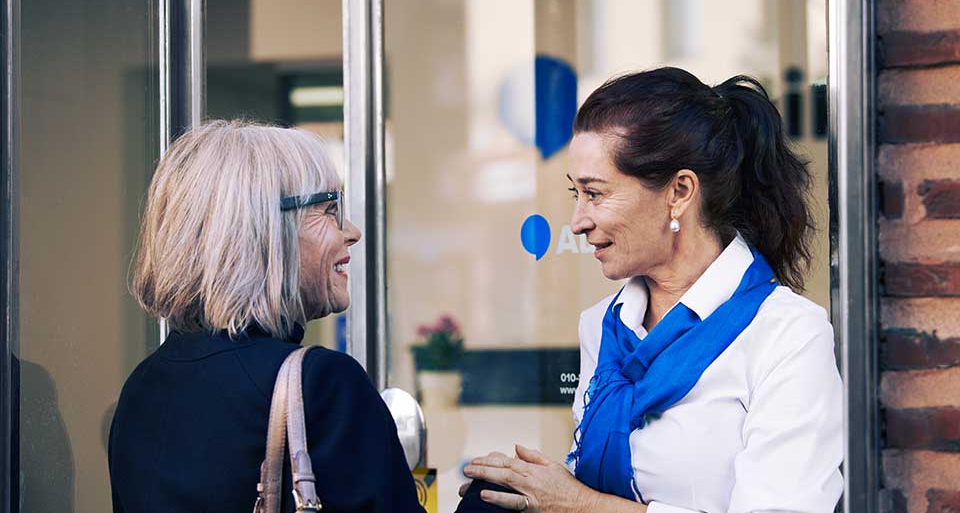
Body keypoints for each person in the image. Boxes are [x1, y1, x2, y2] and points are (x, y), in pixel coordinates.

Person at [461, 68, 843, 512]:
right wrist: (535, 491)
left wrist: (579, 504)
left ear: (679, 192)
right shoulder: (603, 327)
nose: (578, 222)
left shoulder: (787, 334)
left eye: (595, 194)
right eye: (575, 194)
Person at [109, 120, 424, 513]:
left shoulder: (142, 387)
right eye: (330, 210)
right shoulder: (323, 385)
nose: (353, 232)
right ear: (267, 230)